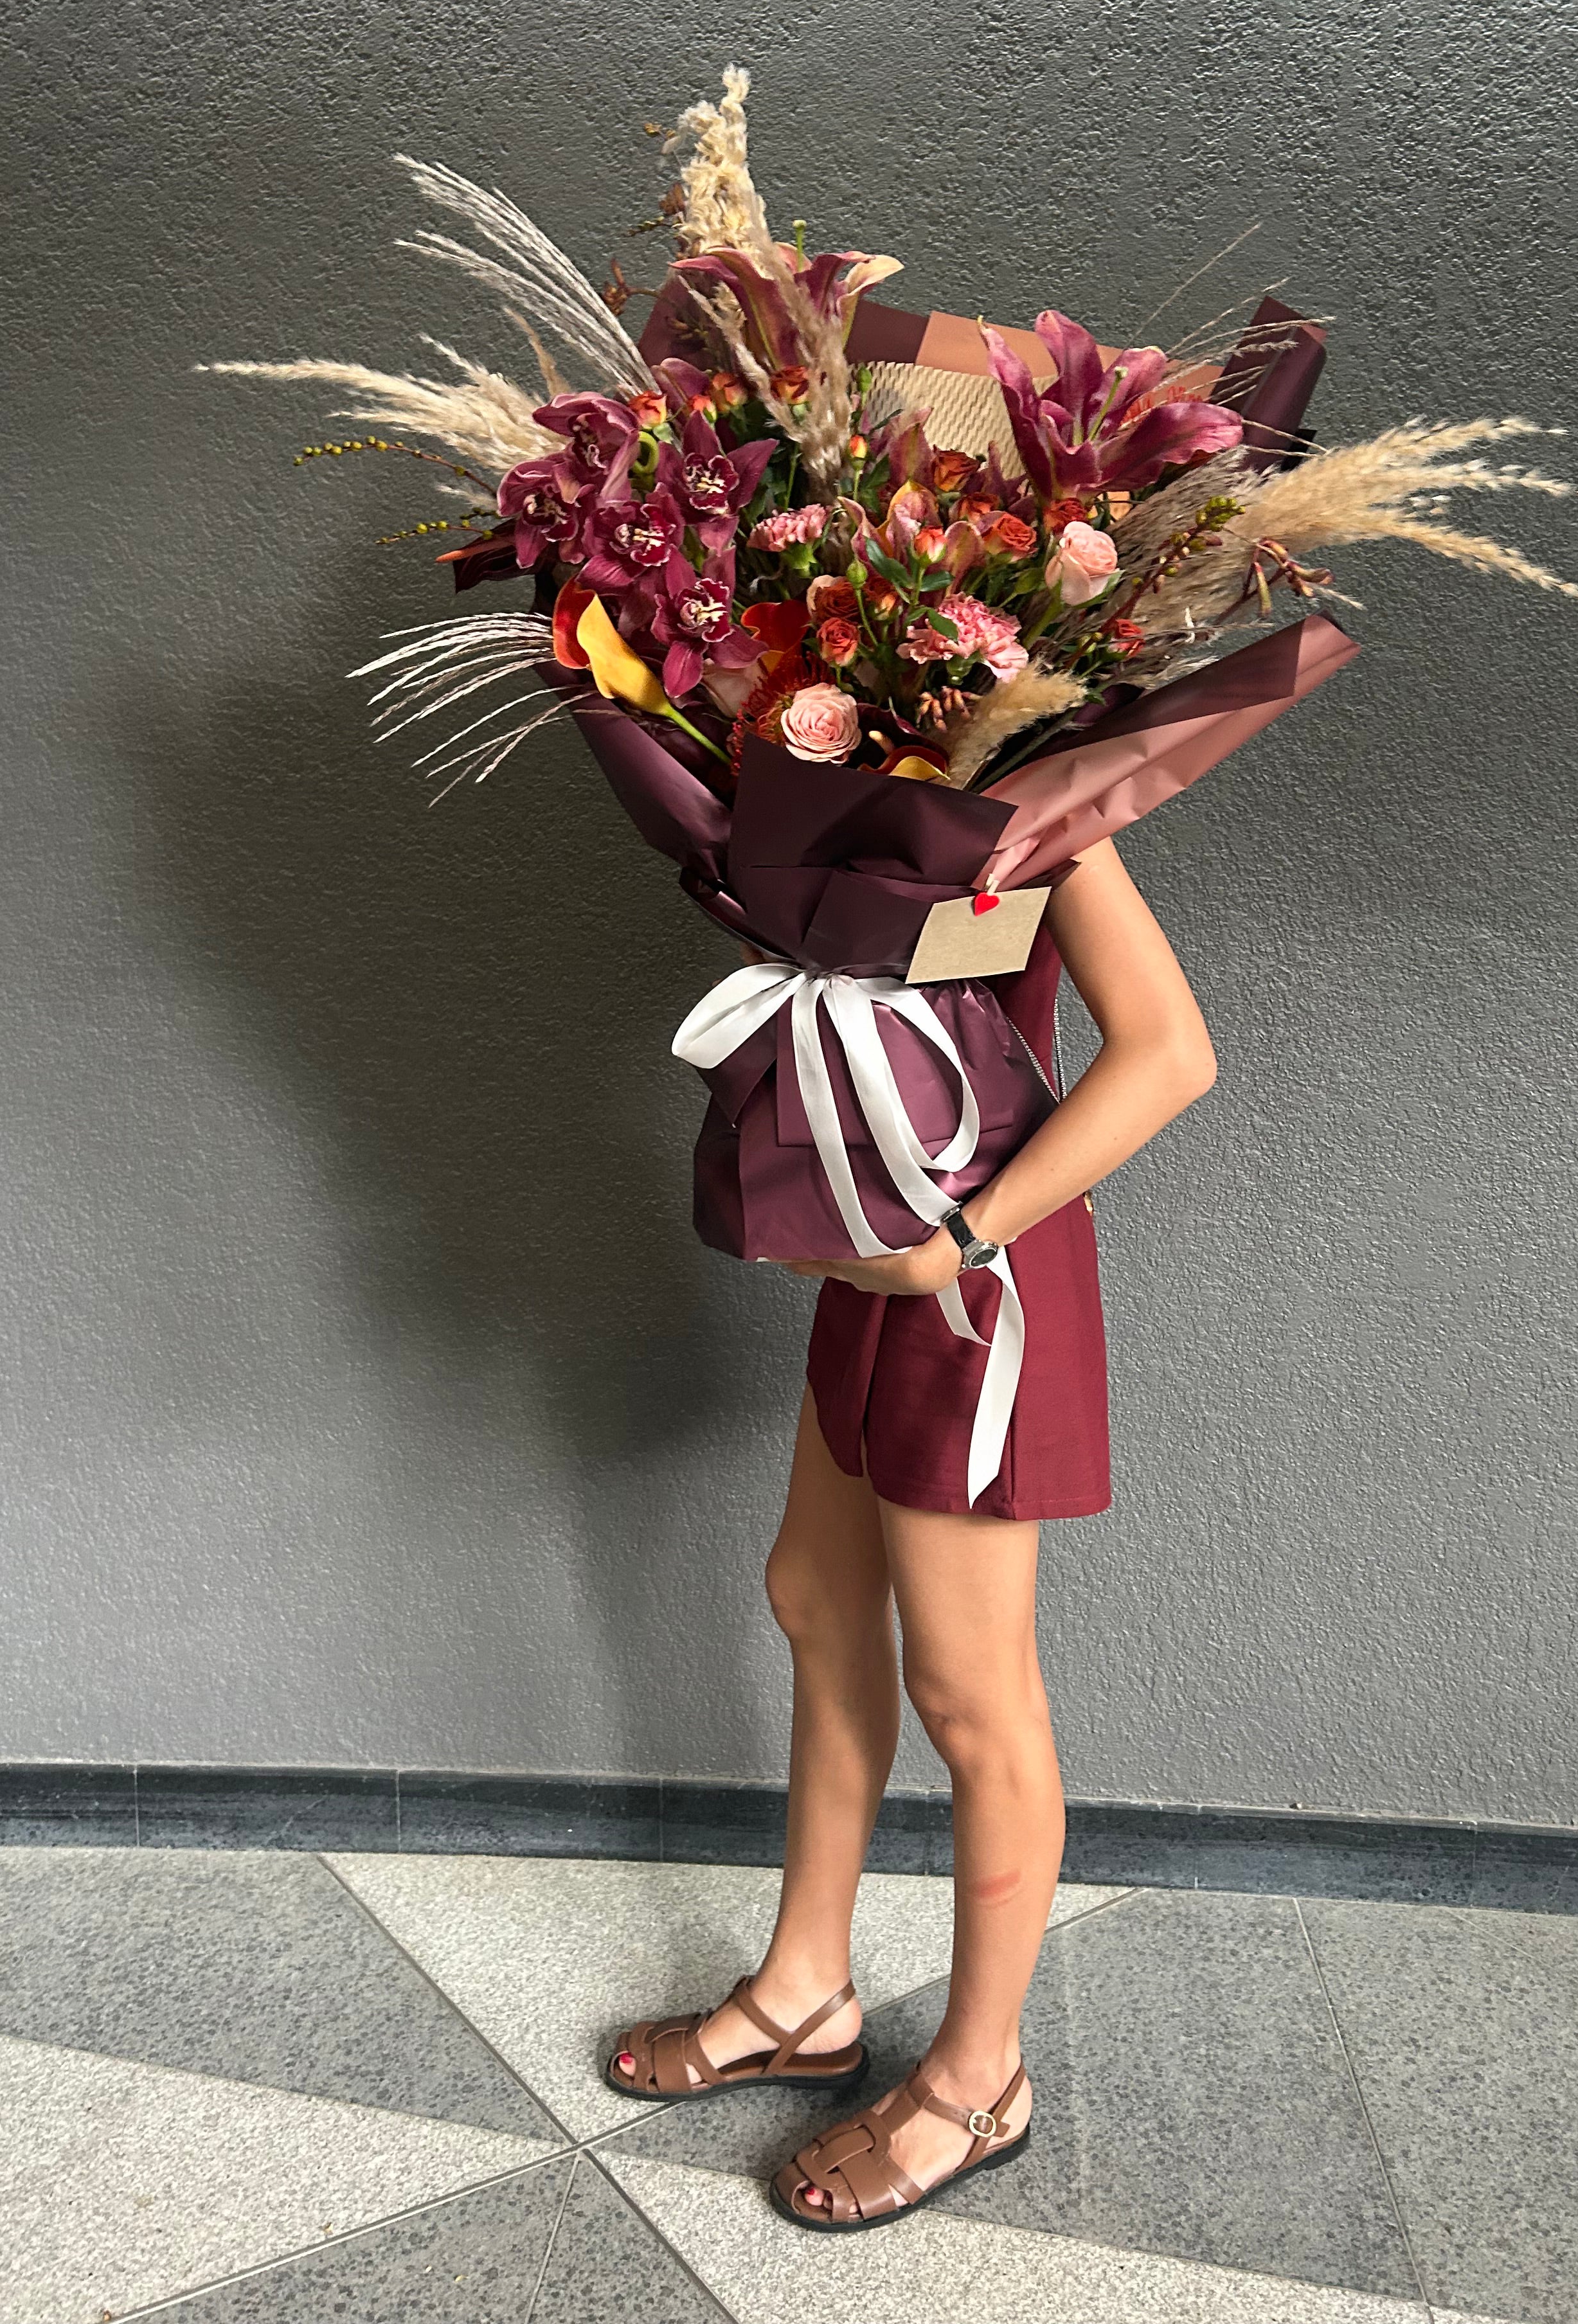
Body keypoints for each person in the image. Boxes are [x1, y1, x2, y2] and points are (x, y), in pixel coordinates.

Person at [604, 833, 1219, 2230]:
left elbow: (1171, 1050)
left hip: (980, 1280)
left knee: (973, 1692)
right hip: (881, 1267)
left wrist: (969, 1236)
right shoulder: (851, 778)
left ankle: (979, 2079)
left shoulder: (1048, 800)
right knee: (815, 1594)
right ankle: (808, 1988)